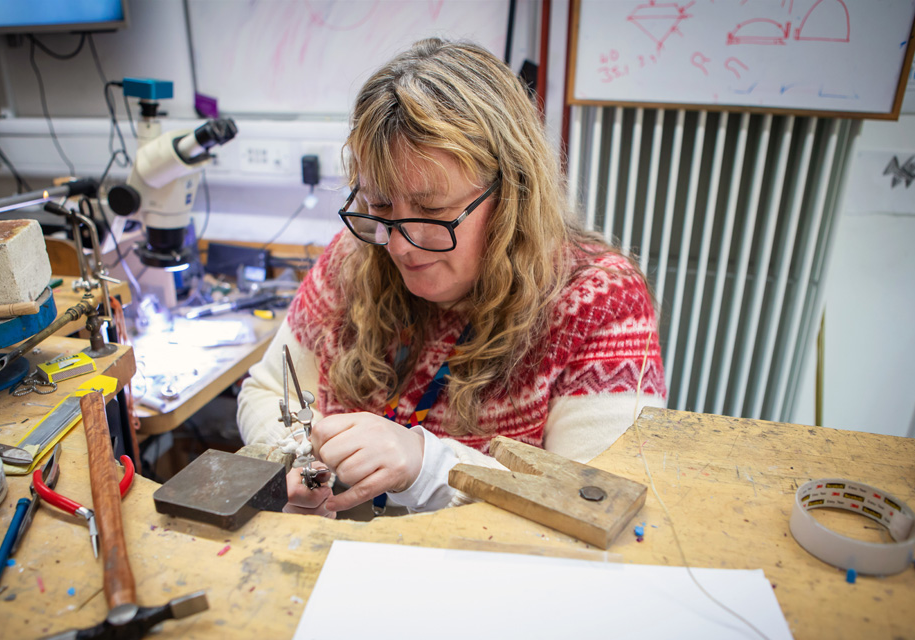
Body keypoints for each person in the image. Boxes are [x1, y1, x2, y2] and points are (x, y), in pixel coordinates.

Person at [237, 38, 666, 518]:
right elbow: (265, 390)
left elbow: (600, 505)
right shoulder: (354, 256)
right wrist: (299, 460)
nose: (399, 245)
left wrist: (429, 467)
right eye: (381, 206)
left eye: (432, 210)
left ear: (512, 195)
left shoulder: (599, 300)